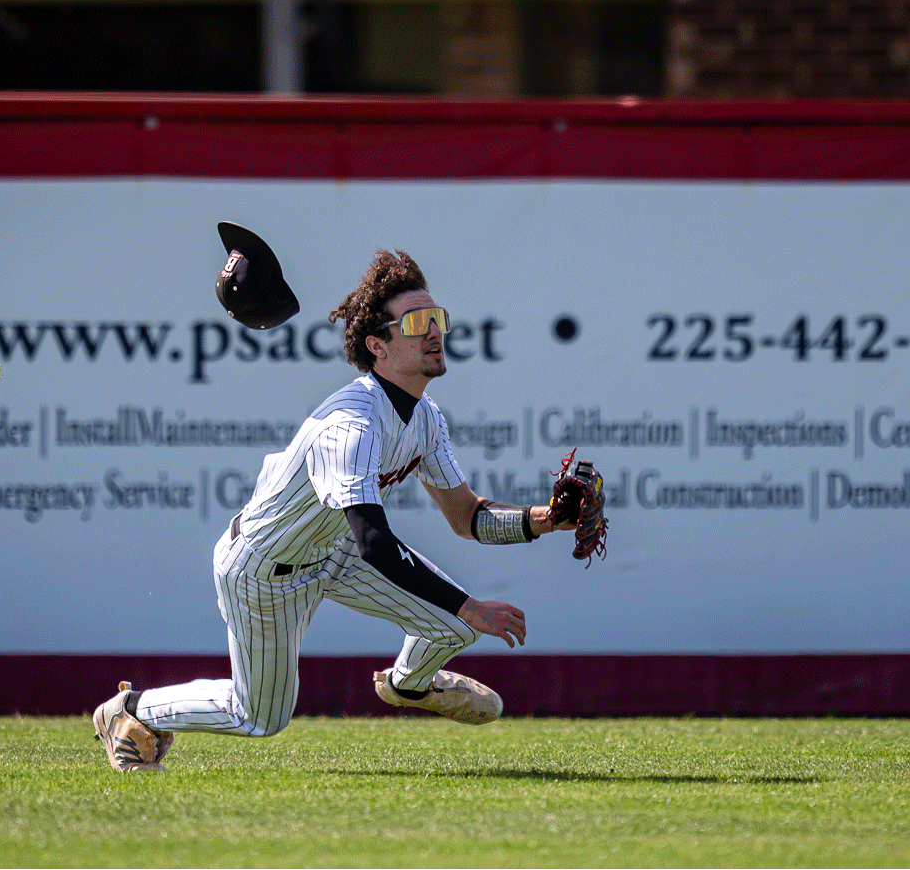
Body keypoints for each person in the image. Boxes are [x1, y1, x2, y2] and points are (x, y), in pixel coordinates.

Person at [94, 249, 573, 772]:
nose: (434, 331)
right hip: (264, 568)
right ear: (377, 346)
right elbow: (375, 543)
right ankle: (131, 710)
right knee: (258, 716)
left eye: (437, 318)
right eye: (416, 322)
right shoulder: (351, 424)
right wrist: (470, 606)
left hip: (332, 550)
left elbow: (469, 518)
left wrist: (544, 519)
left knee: (454, 627)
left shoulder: (426, 417)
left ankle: (408, 685)